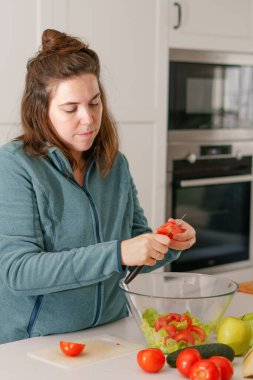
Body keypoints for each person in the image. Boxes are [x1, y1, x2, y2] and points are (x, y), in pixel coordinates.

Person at [0, 29, 196, 344]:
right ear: (41, 110)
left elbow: (135, 250)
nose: (88, 118)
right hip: (37, 341)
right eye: (70, 108)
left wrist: (168, 244)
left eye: (94, 103)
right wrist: (117, 253)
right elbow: (19, 272)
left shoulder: (115, 163)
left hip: (112, 333)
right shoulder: (15, 165)